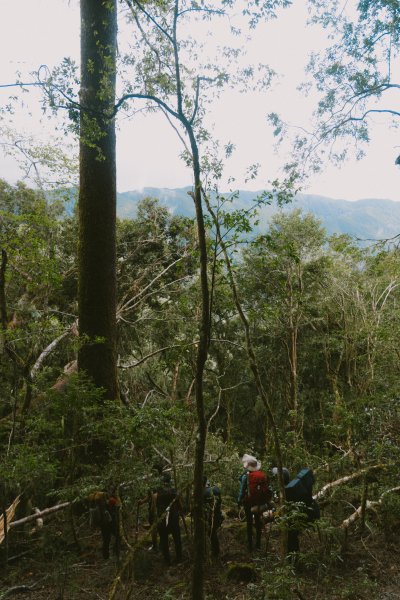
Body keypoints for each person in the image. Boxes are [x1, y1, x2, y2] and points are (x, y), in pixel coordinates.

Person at [238, 454, 271, 551]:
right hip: (260, 502)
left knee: (249, 523)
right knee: (258, 522)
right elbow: (268, 489)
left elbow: (241, 491)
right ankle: (258, 545)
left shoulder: (246, 477)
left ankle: (250, 547)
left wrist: (239, 501)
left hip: (248, 502)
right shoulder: (263, 475)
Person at [154, 472, 182, 566]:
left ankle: (167, 561)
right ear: (170, 480)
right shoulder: (174, 491)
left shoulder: (157, 493)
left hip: (162, 519)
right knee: (177, 538)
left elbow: (153, 507)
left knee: (164, 539)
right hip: (173, 518)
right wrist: (180, 511)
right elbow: (179, 504)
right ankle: (179, 559)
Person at [203, 476, 223, 557]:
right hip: (216, 515)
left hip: (210, 516)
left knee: (211, 533)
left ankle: (215, 552)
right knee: (212, 533)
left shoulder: (202, 492)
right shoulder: (215, 489)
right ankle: (215, 551)